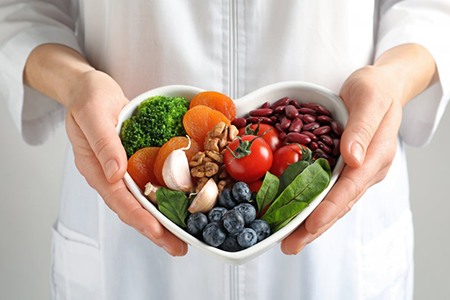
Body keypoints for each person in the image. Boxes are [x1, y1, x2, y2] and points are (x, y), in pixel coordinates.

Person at [1, 1, 449, 299]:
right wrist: (76, 82)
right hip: (132, 223)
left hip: (334, 246)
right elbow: (21, 11)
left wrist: (393, 79)